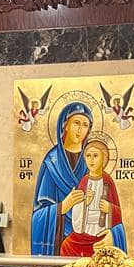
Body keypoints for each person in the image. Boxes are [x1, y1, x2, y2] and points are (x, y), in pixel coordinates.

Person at [31, 101, 94, 255]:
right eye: (76, 123)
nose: (80, 130)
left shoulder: (91, 160)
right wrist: (63, 206)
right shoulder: (52, 162)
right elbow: (38, 215)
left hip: (87, 237)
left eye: (85, 125)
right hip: (59, 239)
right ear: (65, 125)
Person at [59, 135, 126, 255]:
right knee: (66, 245)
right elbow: (76, 213)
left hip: (101, 233)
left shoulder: (108, 181)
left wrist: (109, 208)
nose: (91, 160)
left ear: (103, 158)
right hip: (84, 233)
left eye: (95, 156)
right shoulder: (84, 181)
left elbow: (119, 214)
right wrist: (85, 203)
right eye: (88, 156)